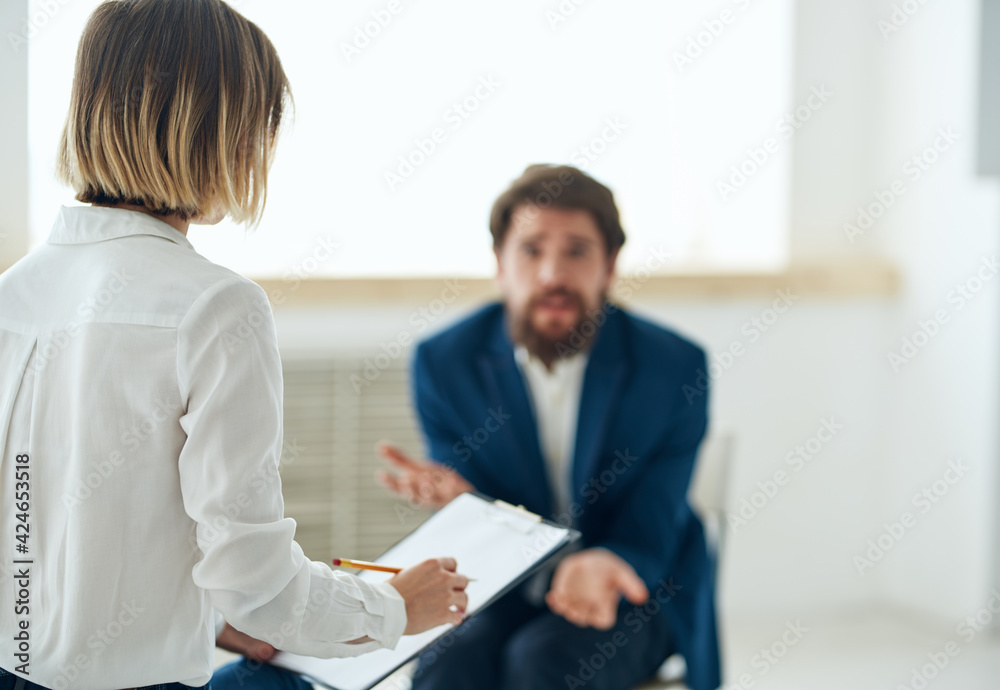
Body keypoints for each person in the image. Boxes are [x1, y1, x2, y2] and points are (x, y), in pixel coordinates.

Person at [0, 2, 467, 688]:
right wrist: (395, 606)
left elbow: (45, 543)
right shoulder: (216, 307)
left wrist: (197, 614)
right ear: (226, 133)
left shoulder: (15, 294)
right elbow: (259, 589)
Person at [376, 164, 722, 690]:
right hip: (501, 582)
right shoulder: (444, 362)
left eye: (577, 251)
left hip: (634, 583)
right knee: (450, 665)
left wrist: (605, 562)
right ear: (499, 263)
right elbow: (479, 523)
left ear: (609, 265)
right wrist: (468, 501)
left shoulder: (674, 367)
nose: (552, 275)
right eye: (532, 249)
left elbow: (655, 516)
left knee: (542, 663)